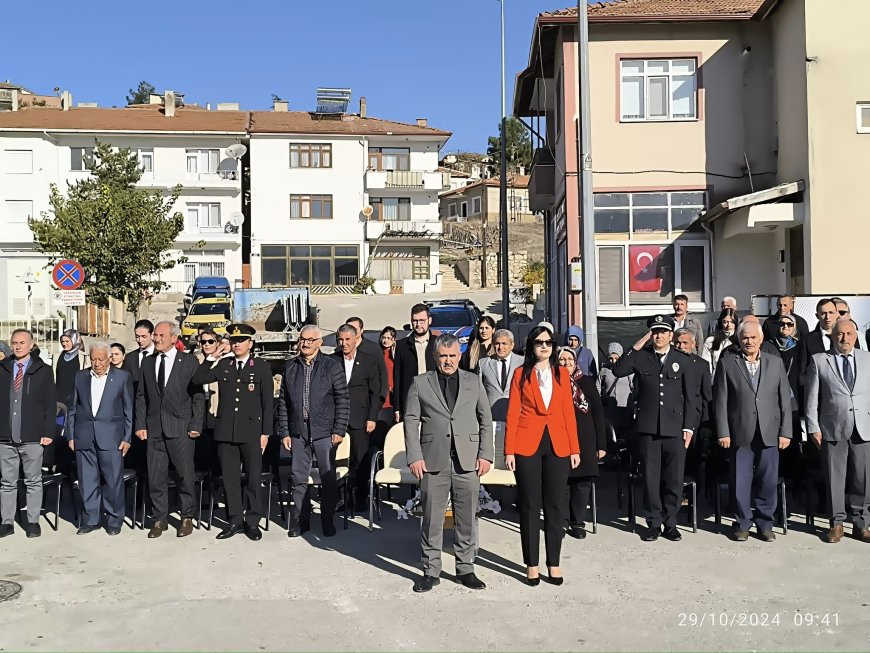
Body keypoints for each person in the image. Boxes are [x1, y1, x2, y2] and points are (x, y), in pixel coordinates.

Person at [404, 333, 493, 593]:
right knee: (432, 518)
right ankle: (430, 570)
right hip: (433, 461)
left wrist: (485, 454)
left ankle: (466, 569)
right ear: (435, 357)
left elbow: (485, 420)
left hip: (468, 460)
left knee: (467, 517)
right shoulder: (420, 383)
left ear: (460, 355)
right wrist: (415, 456)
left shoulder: (473, 382)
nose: (448, 361)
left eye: (453, 356)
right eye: (443, 356)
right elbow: (411, 421)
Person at [612, 315, 699, 542]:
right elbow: (619, 370)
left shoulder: (684, 360)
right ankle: (653, 523)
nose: (658, 335)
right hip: (648, 428)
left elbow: (692, 398)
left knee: (673, 479)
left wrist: (688, 427)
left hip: (675, 429)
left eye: (663, 332)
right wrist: (638, 343)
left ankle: (671, 523)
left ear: (671, 335)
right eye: (655, 331)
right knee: (651, 479)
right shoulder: (641, 358)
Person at [506, 326, 579, 585]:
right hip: (527, 443)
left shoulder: (561, 373)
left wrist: (574, 448)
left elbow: (569, 413)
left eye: (548, 342)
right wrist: (509, 449)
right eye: (539, 342)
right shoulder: (520, 374)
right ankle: (532, 564)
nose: (544, 346)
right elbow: (513, 412)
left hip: (558, 443)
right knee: (529, 504)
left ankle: (554, 563)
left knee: (555, 505)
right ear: (531, 346)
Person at [192, 324, 273, 541]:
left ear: (251, 343)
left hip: (251, 432)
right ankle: (235, 520)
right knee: (230, 479)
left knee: (253, 479)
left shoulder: (261, 367)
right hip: (226, 432)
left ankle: (252, 521)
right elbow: (197, 380)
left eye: (242, 340)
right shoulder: (224, 365)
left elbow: (267, 402)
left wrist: (265, 433)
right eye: (234, 341)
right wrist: (211, 358)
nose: (237, 344)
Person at [713, 320, 792, 542]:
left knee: (768, 480)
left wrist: (786, 431)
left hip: (769, 431)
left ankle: (765, 524)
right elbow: (720, 401)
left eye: (753, 337)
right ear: (739, 339)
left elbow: (785, 400)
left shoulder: (775, 363)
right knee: (740, 479)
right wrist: (723, 432)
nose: (749, 341)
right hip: (739, 431)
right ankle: (742, 523)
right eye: (745, 337)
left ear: (761, 339)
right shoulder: (728, 363)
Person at [134, 321, 205, 539]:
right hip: (155, 429)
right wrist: (140, 424)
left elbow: (198, 396)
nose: (156, 339)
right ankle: (159, 519)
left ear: (174, 338)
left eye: (161, 335)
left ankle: (186, 516)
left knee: (185, 476)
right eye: (155, 335)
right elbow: (142, 396)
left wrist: (195, 425)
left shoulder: (189, 361)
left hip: (181, 428)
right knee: (156, 478)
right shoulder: (148, 362)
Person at [277, 324, 349, 538]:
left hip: (325, 432)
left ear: (320, 343)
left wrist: (339, 429)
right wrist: (285, 432)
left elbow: (342, 399)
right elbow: (283, 403)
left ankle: (327, 520)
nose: (305, 344)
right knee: (299, 477)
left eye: (310, 340)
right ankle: (301, 520)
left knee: (327, 478)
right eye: (302, 340)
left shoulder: (331, 366)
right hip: (298, 432)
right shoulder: (290, 366)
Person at [805, 319, 870, 543]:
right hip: (832, 428)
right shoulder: (820, 361)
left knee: (863, 478)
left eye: (849, 334)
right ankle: (837, 523)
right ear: (832, 336)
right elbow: (812, 399)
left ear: (855, 335)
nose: (844, 339)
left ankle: (861, 523)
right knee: (835, 478)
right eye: (840, 334)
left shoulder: (868, 359)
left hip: (864, 427)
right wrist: (812, 427)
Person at [66, 342, 134, 536]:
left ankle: (114, 520)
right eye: (93, 359)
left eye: (101, 359)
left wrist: (127, 438)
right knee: (87, 481)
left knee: (113, 481)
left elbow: (129, 410)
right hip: (84, 435)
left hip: (111, 437)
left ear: (109, 358)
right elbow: (72, 408)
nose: (97, 363)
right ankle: (91, 519)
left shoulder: (121, 378)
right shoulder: (80, 377)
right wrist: (71, 435)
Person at [0, 329, 57, 538]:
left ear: (31, 344)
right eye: (14, 343)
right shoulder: (3, 368)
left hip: (32, 436)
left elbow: (50, 404)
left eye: (22, 343)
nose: (17, 346)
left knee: (33, 481)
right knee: (7, 482)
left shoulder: (43, 370)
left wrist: (48, 431)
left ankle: (32, 521)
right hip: (6, 436)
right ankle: (7, 522)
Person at [558, 347, 605, 540]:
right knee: (562, 482)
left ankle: (577, 522)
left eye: (570, 359)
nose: (566, 362)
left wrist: (601, 444)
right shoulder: (552, 381)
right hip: (560, 438)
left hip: (585, 438)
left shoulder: (586, 381)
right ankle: (561, 521)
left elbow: (598, 413)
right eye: (562, 359)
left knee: (581, 482)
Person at [331, 323, 380, 508]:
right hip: (337, 419)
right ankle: (338, 497)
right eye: (340, 340)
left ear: (355, 339)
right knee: (335, 459)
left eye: (347, 339)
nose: (344, 343)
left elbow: (375, 392)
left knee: (361, 459)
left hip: (361, 419)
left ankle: (360, 499)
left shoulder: (369, 360)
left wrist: (372, 417)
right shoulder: (332, 360)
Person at [478, 329, 523, 468]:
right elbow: (479, 392)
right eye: (497, 343)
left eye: (504, 343)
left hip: (516, 417)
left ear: (512, 344)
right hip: (491, 417)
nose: (500, 347)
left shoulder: (523, 362)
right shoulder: (483, 363)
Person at [674, 328, 712, 481]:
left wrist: (706, 425)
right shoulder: (667, 363)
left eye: (685, 342)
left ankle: (691, 496)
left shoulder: (702, 365)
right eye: (677, 342)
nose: (681, 346)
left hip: (695, 421)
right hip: (673, 418)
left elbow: (706, 396)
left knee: (693, 461)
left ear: (693, 344)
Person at [393, 303, 437, 420]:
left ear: (429, 320)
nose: (418, 324)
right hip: (411, 398)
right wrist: (397, 408)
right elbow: (397, 378)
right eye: (415, 321)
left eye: (422, 320)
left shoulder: (438, 343)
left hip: (434, 398)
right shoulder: (402, 345)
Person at [122, 319, 155, 471]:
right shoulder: (130, 358)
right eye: (137, 336)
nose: (140, 340)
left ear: (151, 335)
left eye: (143, 336)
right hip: (135, 411)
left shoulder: (159, 356)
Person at [345, 316, 387, 409]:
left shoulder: (373, 348)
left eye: (355, 329)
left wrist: (382, 398)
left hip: (367, 403)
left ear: (362, 330)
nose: (352, 332)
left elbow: (383, 373)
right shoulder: (341, 350)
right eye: (349, 329)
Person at [598, 343, 634, 436]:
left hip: (625, 408)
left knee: (625, 432)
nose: (613, 361)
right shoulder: (604, 370)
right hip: (609, 407)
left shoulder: (628, 371)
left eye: (616, 358)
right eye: (611, 358)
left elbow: (633, 388)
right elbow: (597, 388)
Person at [373, 326, 397, 448]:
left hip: (393, 397)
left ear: (394, 340)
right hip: (381, 397)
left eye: (389, 338)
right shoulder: (377, 354)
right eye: (384, 337)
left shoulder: (396, 355)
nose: (385, 340)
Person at [56, 329, 88, 409]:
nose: (64, 344)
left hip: (76, 396)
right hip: (59, 396)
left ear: (75, 340)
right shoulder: (57, 356)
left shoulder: (83, 357)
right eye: (62, 341)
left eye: (67, 341)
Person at [701, 308, 737, 376]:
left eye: (732, 322)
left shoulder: (739, 342)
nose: (728, 325)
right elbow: (706, 364)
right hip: (716, 378)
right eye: (725, 322)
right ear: (720, 323)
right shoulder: (711, 341)